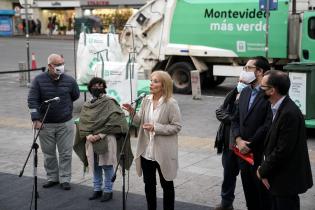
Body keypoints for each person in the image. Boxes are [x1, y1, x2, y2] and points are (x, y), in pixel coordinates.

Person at [123, 70, 182, 210]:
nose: (151, 84)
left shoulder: (171, 103)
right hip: (146, 152)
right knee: (149, 186)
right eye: (151, 80)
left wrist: (156, 127)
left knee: (167, 185)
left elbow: (177, 126)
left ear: (164, 85)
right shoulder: (146, 100)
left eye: (155, 81)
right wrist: (132, 112)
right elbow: (139, 122)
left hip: (163, 152)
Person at [257, 70, 313, 210]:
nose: (259, 89)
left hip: (286, 182)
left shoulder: (289, 113)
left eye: (262, 87)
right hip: (277, 178)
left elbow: (282, 150)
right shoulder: (277, 107)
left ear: (272, 91)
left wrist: (262, 170)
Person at [73, 77, 133, 202]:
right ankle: (97, 189)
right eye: (95, 86)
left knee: (107, 166)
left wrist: (100, 135)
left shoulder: (110, 102)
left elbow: (117, 121)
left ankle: (108, 191)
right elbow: (83, 123)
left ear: (104, 87)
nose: (98, 88)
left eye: (101, 85)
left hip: (106, 138)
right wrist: (87, 135)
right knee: (95, 166)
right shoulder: (87, 105)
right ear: (90, 88)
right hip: (90, 140)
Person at [27, 53, 80, 190]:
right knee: (48, 153)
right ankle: (52, 177)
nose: (61, 67)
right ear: (50, 66)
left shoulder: (69, 80)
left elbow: (75, 95)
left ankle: (65, 179)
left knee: (65, 153)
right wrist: (36, 119)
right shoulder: (38, 80)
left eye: (62, 63)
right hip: (45, 124)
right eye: (57, 65)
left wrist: (65, 108)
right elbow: (32, 101)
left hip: (65, 123)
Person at [231, 56, 272, 210]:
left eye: (248, 68)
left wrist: (251, 144)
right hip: (243, 153)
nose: (245, 71)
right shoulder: (246, 91)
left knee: (264, 196)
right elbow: (235, 118)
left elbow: (268, 124)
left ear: (260, 71)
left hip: (260, 153)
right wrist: (238, 139)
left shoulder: (269, 93)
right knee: (249, 194)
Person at [214, 76, 250, 210]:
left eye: (244, 82)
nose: (240, 84)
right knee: (228, 174)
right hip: (228, 143)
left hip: (243, 144)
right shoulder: (233, 93)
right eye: (239, 81)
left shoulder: (251, 97)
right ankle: (226, 203)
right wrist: (232, 118)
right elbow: (219, 111)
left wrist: (232, 118)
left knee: (249, 179)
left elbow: (244, 119)